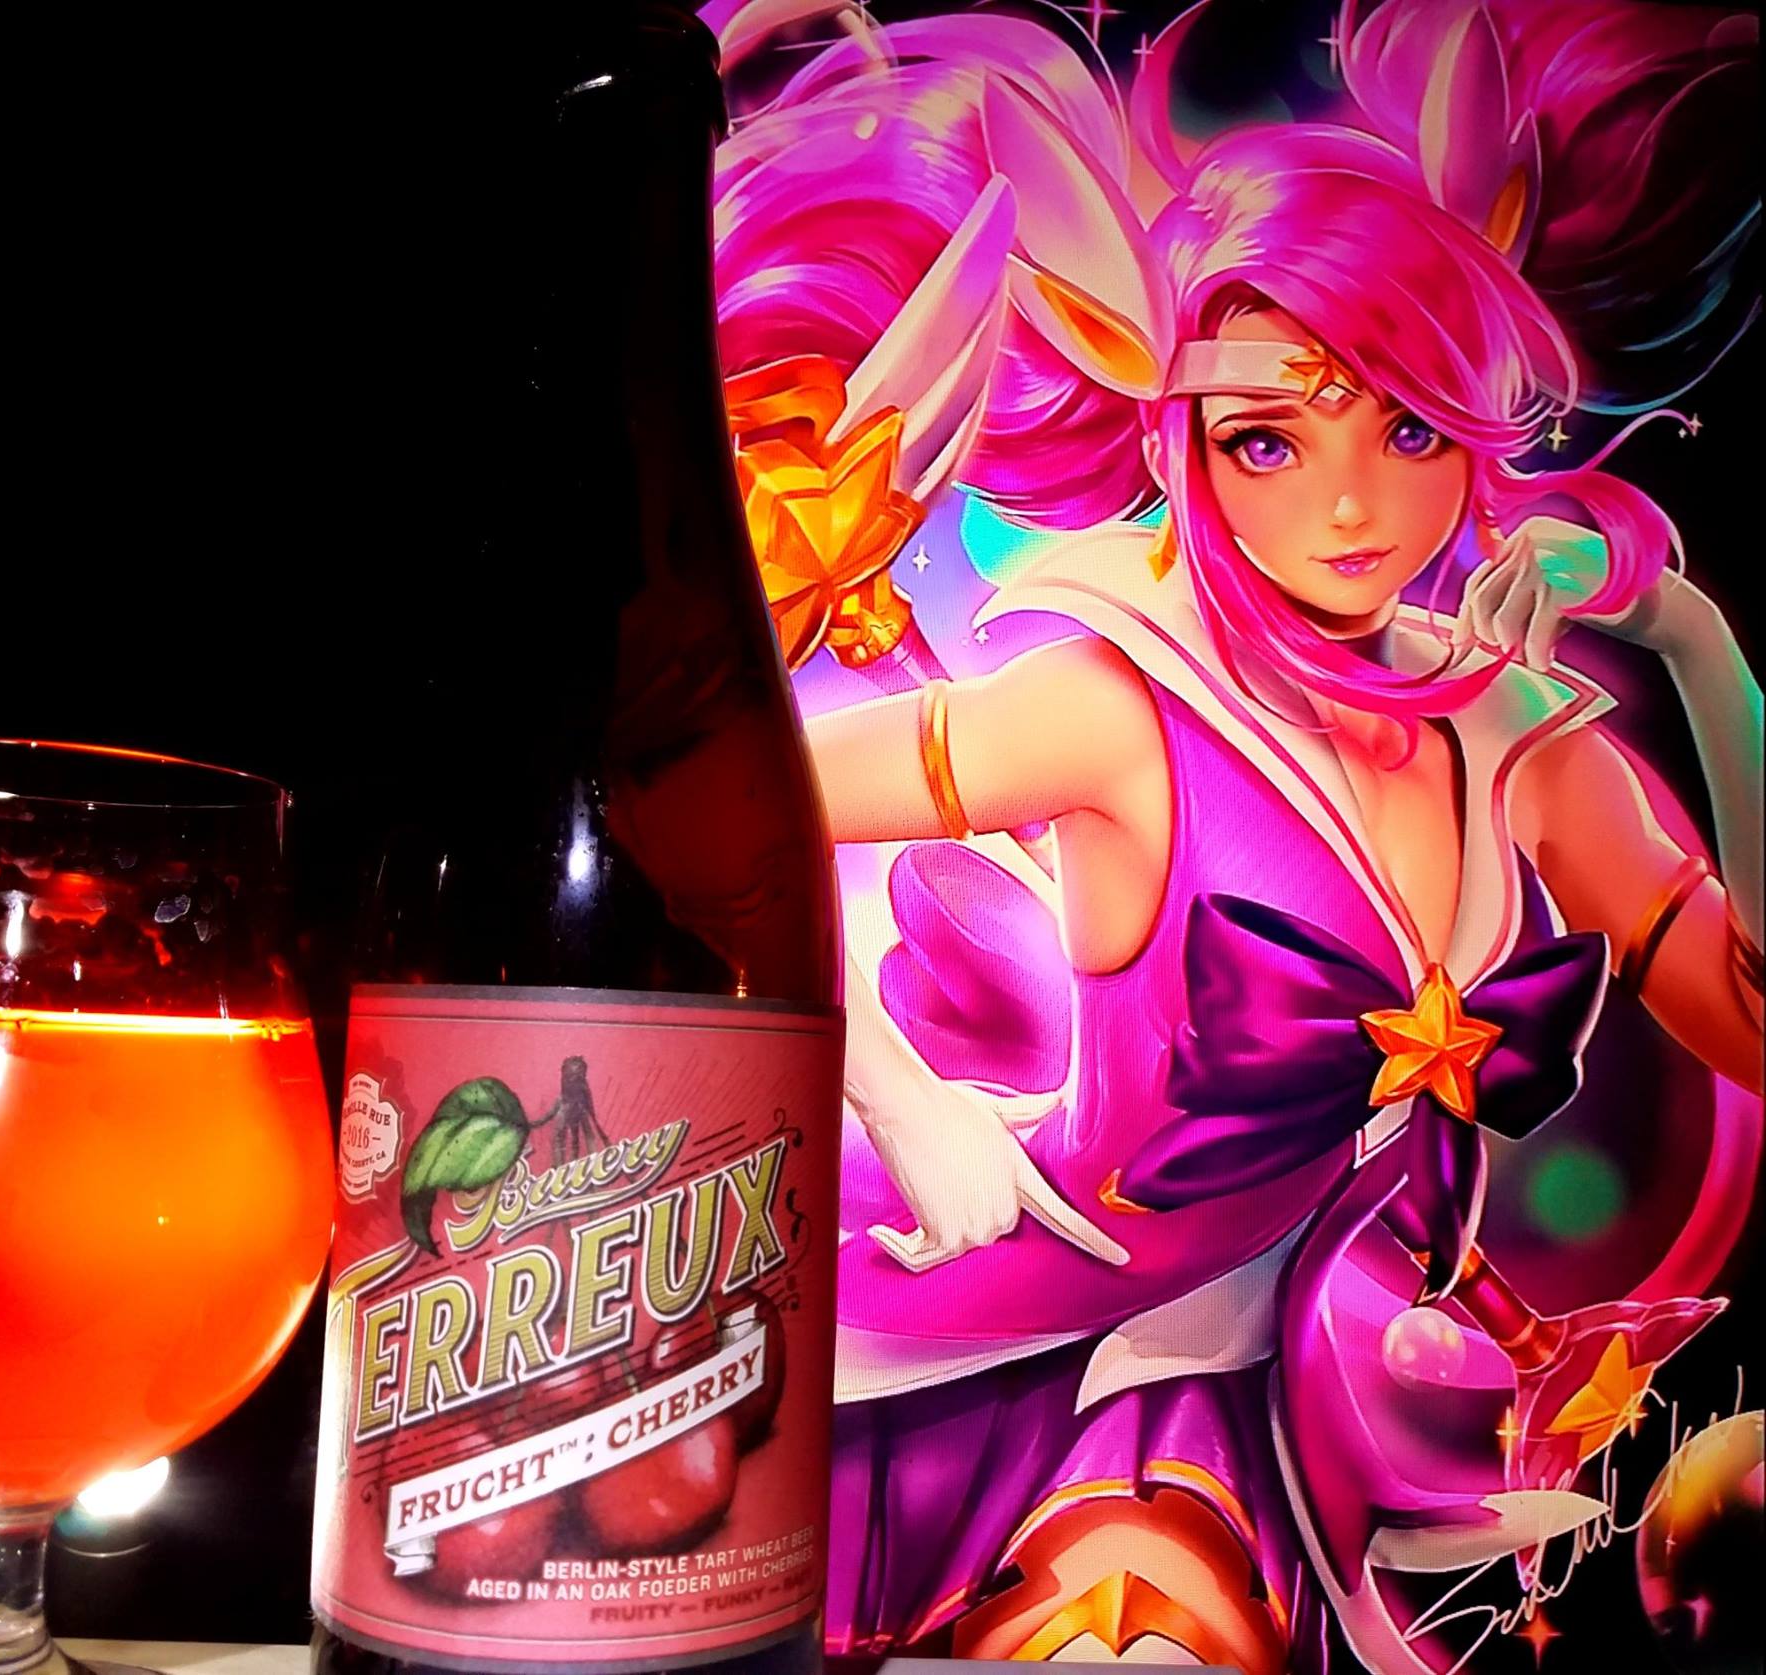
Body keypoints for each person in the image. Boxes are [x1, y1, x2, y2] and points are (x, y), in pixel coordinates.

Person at [703, 0, 1763, 1667]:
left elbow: (1752, 1022)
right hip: (1042, 1340)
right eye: (1271, 439)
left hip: (1323, 1367)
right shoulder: (1121, 705)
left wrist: (1703, 657)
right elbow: (709, 809)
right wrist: (899, 1099)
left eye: (1407, 430)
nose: (1348, 505)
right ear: (1189, 450)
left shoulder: (1526, 746)